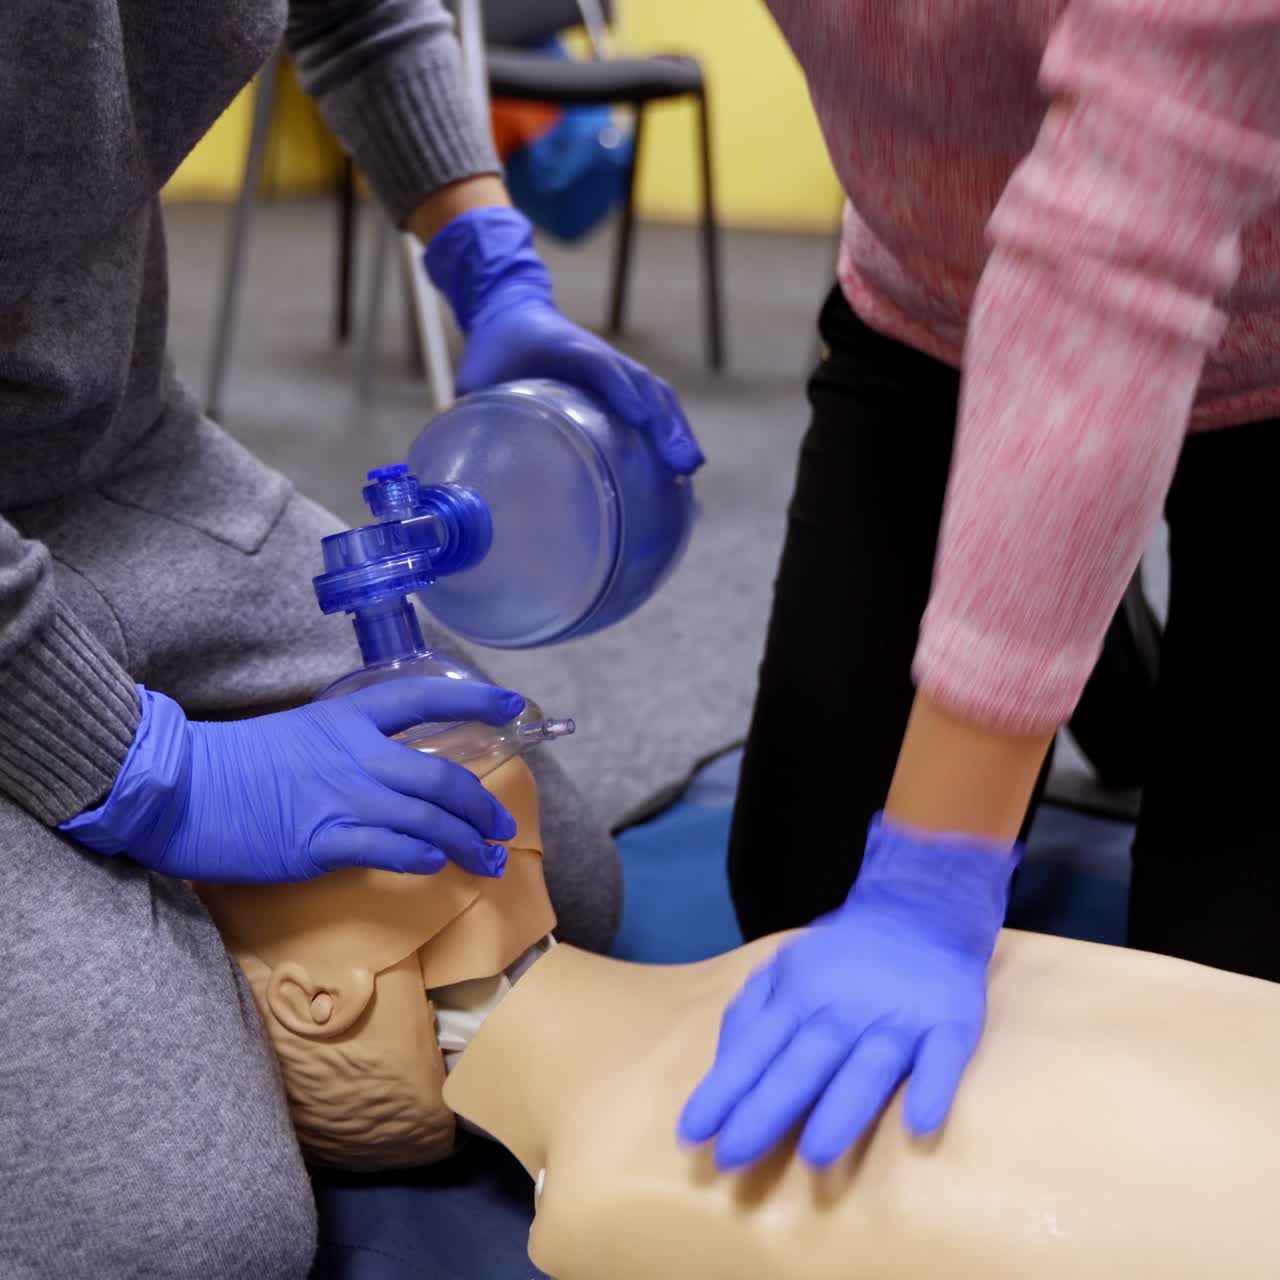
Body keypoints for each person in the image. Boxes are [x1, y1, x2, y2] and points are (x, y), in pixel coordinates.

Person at [0, 3, 698, 1276]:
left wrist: (489, 259)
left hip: (119, 464)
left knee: (557, 879)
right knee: (189, 1241)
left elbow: (361, 10)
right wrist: (155, 777)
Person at [685, 0, 1280, 1172]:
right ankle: (1061, 580)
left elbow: (1117, 250)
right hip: (929, 307)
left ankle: (1053, 576)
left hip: (1259, 344)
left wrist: (932, 875)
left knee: (1214, 1006)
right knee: (793, 898)